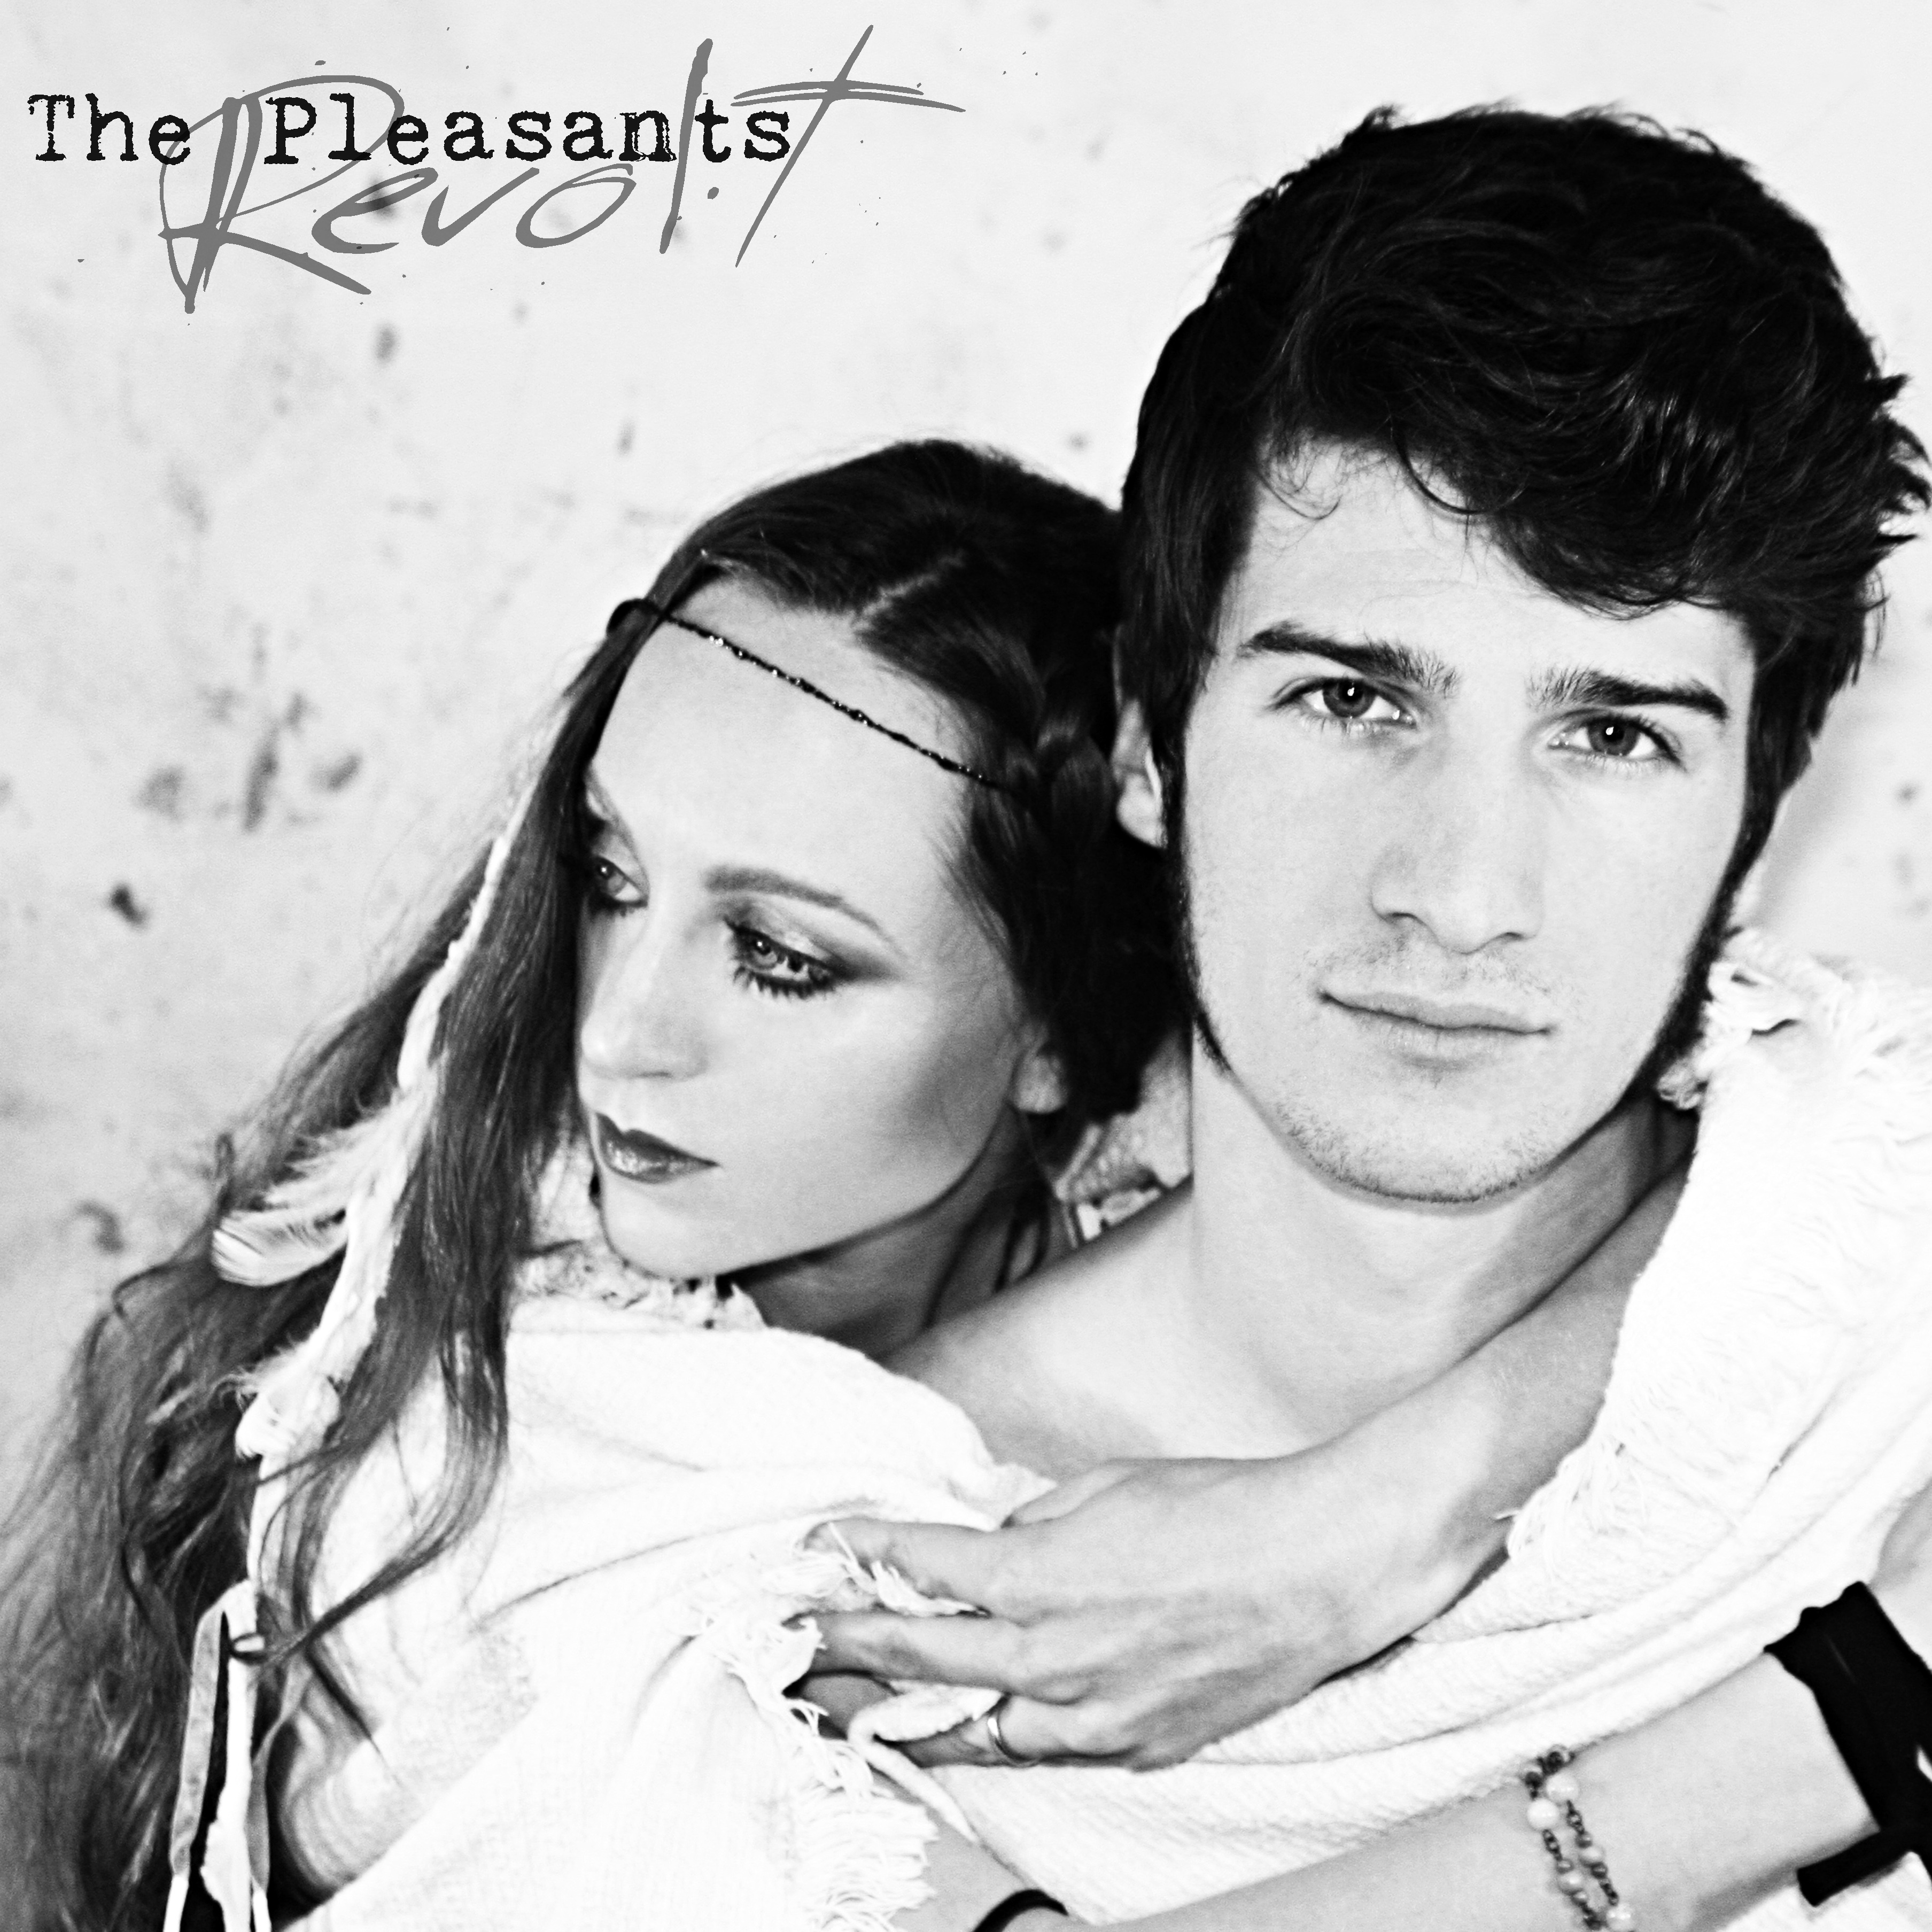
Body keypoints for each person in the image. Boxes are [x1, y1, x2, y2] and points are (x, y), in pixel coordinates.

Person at [0, 437, 1642, 1932]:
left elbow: (1759, 1170)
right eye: (607, 880)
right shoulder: (476, 1448)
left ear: (1057, 1035)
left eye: (778, 957)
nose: (621, 1034)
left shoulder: (1248, 1252)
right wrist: (1776, 1746)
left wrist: (1397, 1502)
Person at [798, 105, 1932, 1929]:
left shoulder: (1892, 1299)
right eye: (1351, 701)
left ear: (1756, 811)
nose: (1462, 890)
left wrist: (1415, 1504)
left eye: (1614, 734)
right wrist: (1869, 1711)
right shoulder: (861, 1555)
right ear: (1151, 743)